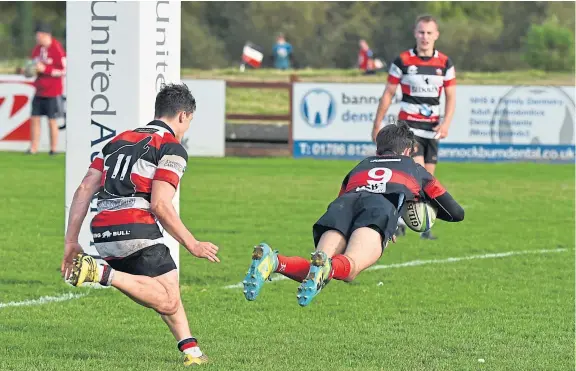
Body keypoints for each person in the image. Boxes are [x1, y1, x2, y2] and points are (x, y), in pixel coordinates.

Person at [61, 83, 220, 367]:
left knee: (167, 286)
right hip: (135, 227)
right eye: (189, 122)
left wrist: (71, 241)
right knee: (168, 299)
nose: (187, 128)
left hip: (103, 231)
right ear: (183, 116)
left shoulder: (116, 140)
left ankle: (191, 350)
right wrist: (192, 243)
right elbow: (160, 204)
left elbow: (85, 188)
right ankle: (101, 273)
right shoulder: (171, 147)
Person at [242, 122, 464, 307]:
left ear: (378, 149)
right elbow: (455, 212)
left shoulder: (361, 166)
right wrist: (414, 206)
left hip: (343, 205)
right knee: (348, 268)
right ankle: (320, 265)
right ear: (408, 151)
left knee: (318, 270)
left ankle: (274, 261)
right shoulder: (415, 169)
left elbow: (346, 195)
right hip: (378, 210)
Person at [371, 15, 456, 240]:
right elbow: (388, 93)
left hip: (432, 130)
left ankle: (415, 224)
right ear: (415, 33)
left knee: (426, 180)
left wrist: (446, 123)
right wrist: (377, 123)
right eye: (421, 32)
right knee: (418, 175)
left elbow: (451, 97)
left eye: (429, 33)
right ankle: (403, 222)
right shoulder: (403, 61)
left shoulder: (445, 63)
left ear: (436, 35)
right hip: (409, 130)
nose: (425, 37)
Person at [25, 22, 66, 155]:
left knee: (51, 120)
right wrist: (28, 71)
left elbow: (63, 70)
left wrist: (46, 69)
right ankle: (33, 148)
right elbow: (31, 65)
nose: (37, 38)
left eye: (39, 35)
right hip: (39, 90)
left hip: (53, 92)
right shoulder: (37, 49)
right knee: (35, 118)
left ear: (45, 35)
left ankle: (53, 149)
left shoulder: (56, 48)